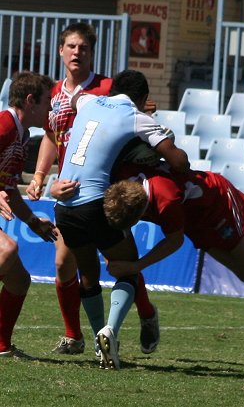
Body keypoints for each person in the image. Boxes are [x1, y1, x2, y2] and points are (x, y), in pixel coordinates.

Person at [26, 22, 159, 356]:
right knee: (66, 264)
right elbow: (53, 139)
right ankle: (77, 335)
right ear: (61, 51)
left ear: (91, 53)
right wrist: (43, 176)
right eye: (71, 46)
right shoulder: (53, 95)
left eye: (83, 47)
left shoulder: (106, 90)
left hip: (104, 192)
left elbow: (132, 129)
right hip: (67, 192)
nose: (76, 52)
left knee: (119, 261)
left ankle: (144, 314)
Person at [102, 161, 244, 368]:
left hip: (219, 205)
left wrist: (137, 266)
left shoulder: (165, 199)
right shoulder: (124, 175)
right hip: (195, 219)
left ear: (142, 211)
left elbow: (174, 241)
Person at [53, 69, 189, 368]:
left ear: (113, 89)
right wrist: (155, 136)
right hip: (94, 204)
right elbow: (179, 162)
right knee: (126, 268)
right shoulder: (136, 116)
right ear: (142, 98)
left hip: (63, 205)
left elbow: (75, 102)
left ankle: (100, 340)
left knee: (87, 273)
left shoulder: (89, 102)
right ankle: (110, 331)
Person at [0, 71, 57, 358]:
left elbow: (8, 188)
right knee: (7, 250)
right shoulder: (4, 125)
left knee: (19, 280)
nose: (52, 108)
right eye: (48, 101)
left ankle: (1, 347)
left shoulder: (21, 135)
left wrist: (33, 222)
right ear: (31, 101)